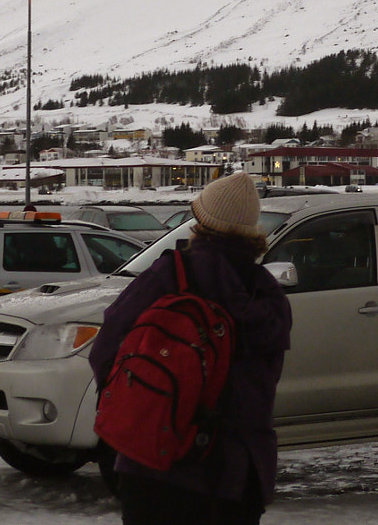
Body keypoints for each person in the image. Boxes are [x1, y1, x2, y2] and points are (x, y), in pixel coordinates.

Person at [90, 173, 292, 525]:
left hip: (157, 468)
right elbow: (263, 387)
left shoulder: (170, 276)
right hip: (239, 476)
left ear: (202, 222)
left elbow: (106, 349)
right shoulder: (269, 297)